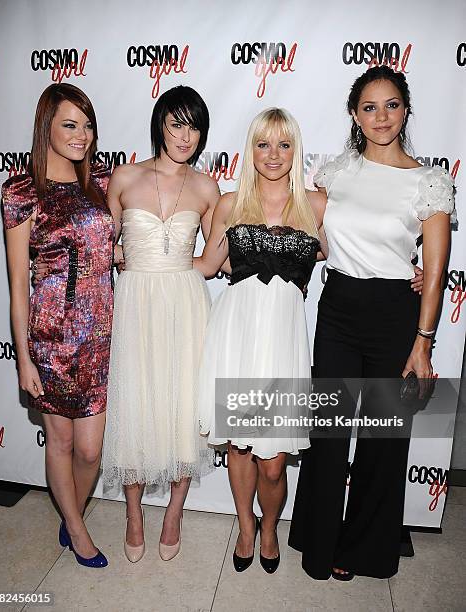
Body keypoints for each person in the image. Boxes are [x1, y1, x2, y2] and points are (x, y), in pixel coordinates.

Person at [288, 65, 454, 581]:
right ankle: (318, 540)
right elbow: (308, 232)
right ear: (354, 116)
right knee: (329, 431)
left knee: (384, 440)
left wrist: (422, 343)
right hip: (337, 306)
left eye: (391, 105)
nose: (381, 116)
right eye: (368, 107)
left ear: (406, 110)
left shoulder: (429, 183)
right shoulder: (336, 173)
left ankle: (363, 548)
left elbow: (436, 271)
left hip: (395, 317)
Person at [195, 108, 326, 573]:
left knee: (274, 462)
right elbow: (205, 266)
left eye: (284, 144)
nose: (273, 155)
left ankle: (270, 525)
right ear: (250, 150)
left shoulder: (317, 205)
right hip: (237, 335)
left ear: (296, 150)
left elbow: (358, 253)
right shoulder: (230, 204)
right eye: (263, 144)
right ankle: (247, 528)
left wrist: (408, 271)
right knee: (239, 446)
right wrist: (135, 258)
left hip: (284, 342)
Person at [101, 86, 220, 563]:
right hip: (135, 303)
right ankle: (133, 514)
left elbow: (215, 262)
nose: (184, 135)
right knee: (136, 404)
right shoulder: (124, 178)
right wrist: (138, 260)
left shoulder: (208, 188)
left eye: (193, 126)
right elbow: (100, 247)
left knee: (181, 408)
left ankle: (174, 512)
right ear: (159, 125)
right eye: (176, 123)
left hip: (187, 304)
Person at [2, 84, 115, 568]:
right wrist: (24, 359)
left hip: (99, 337)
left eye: (87, 125)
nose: (82, 135)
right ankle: (74, 526)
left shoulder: (104, 182)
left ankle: (74, 511)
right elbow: (17, 288)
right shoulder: (21, 191)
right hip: (50, 340)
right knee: (63, 442)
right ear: (45, 124)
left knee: (90, 451)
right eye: (70, 124)